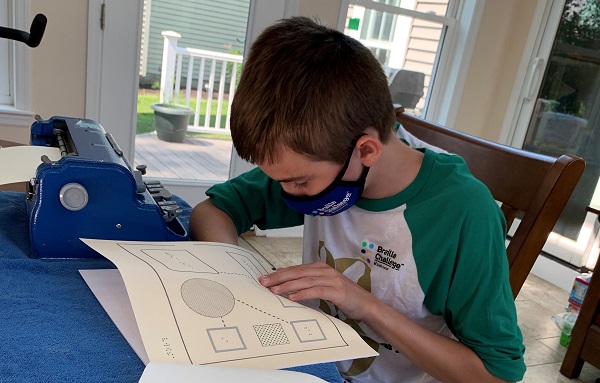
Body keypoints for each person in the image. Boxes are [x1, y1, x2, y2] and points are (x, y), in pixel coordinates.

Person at [189, 16, 525, 383]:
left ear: (366, 150)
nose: (287, 193)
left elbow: (497, 376)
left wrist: (366, 306)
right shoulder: (324, 154)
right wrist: (233, 274)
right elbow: (214, 209)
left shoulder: (462, 212)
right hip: (311, 361)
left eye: (299, 182)